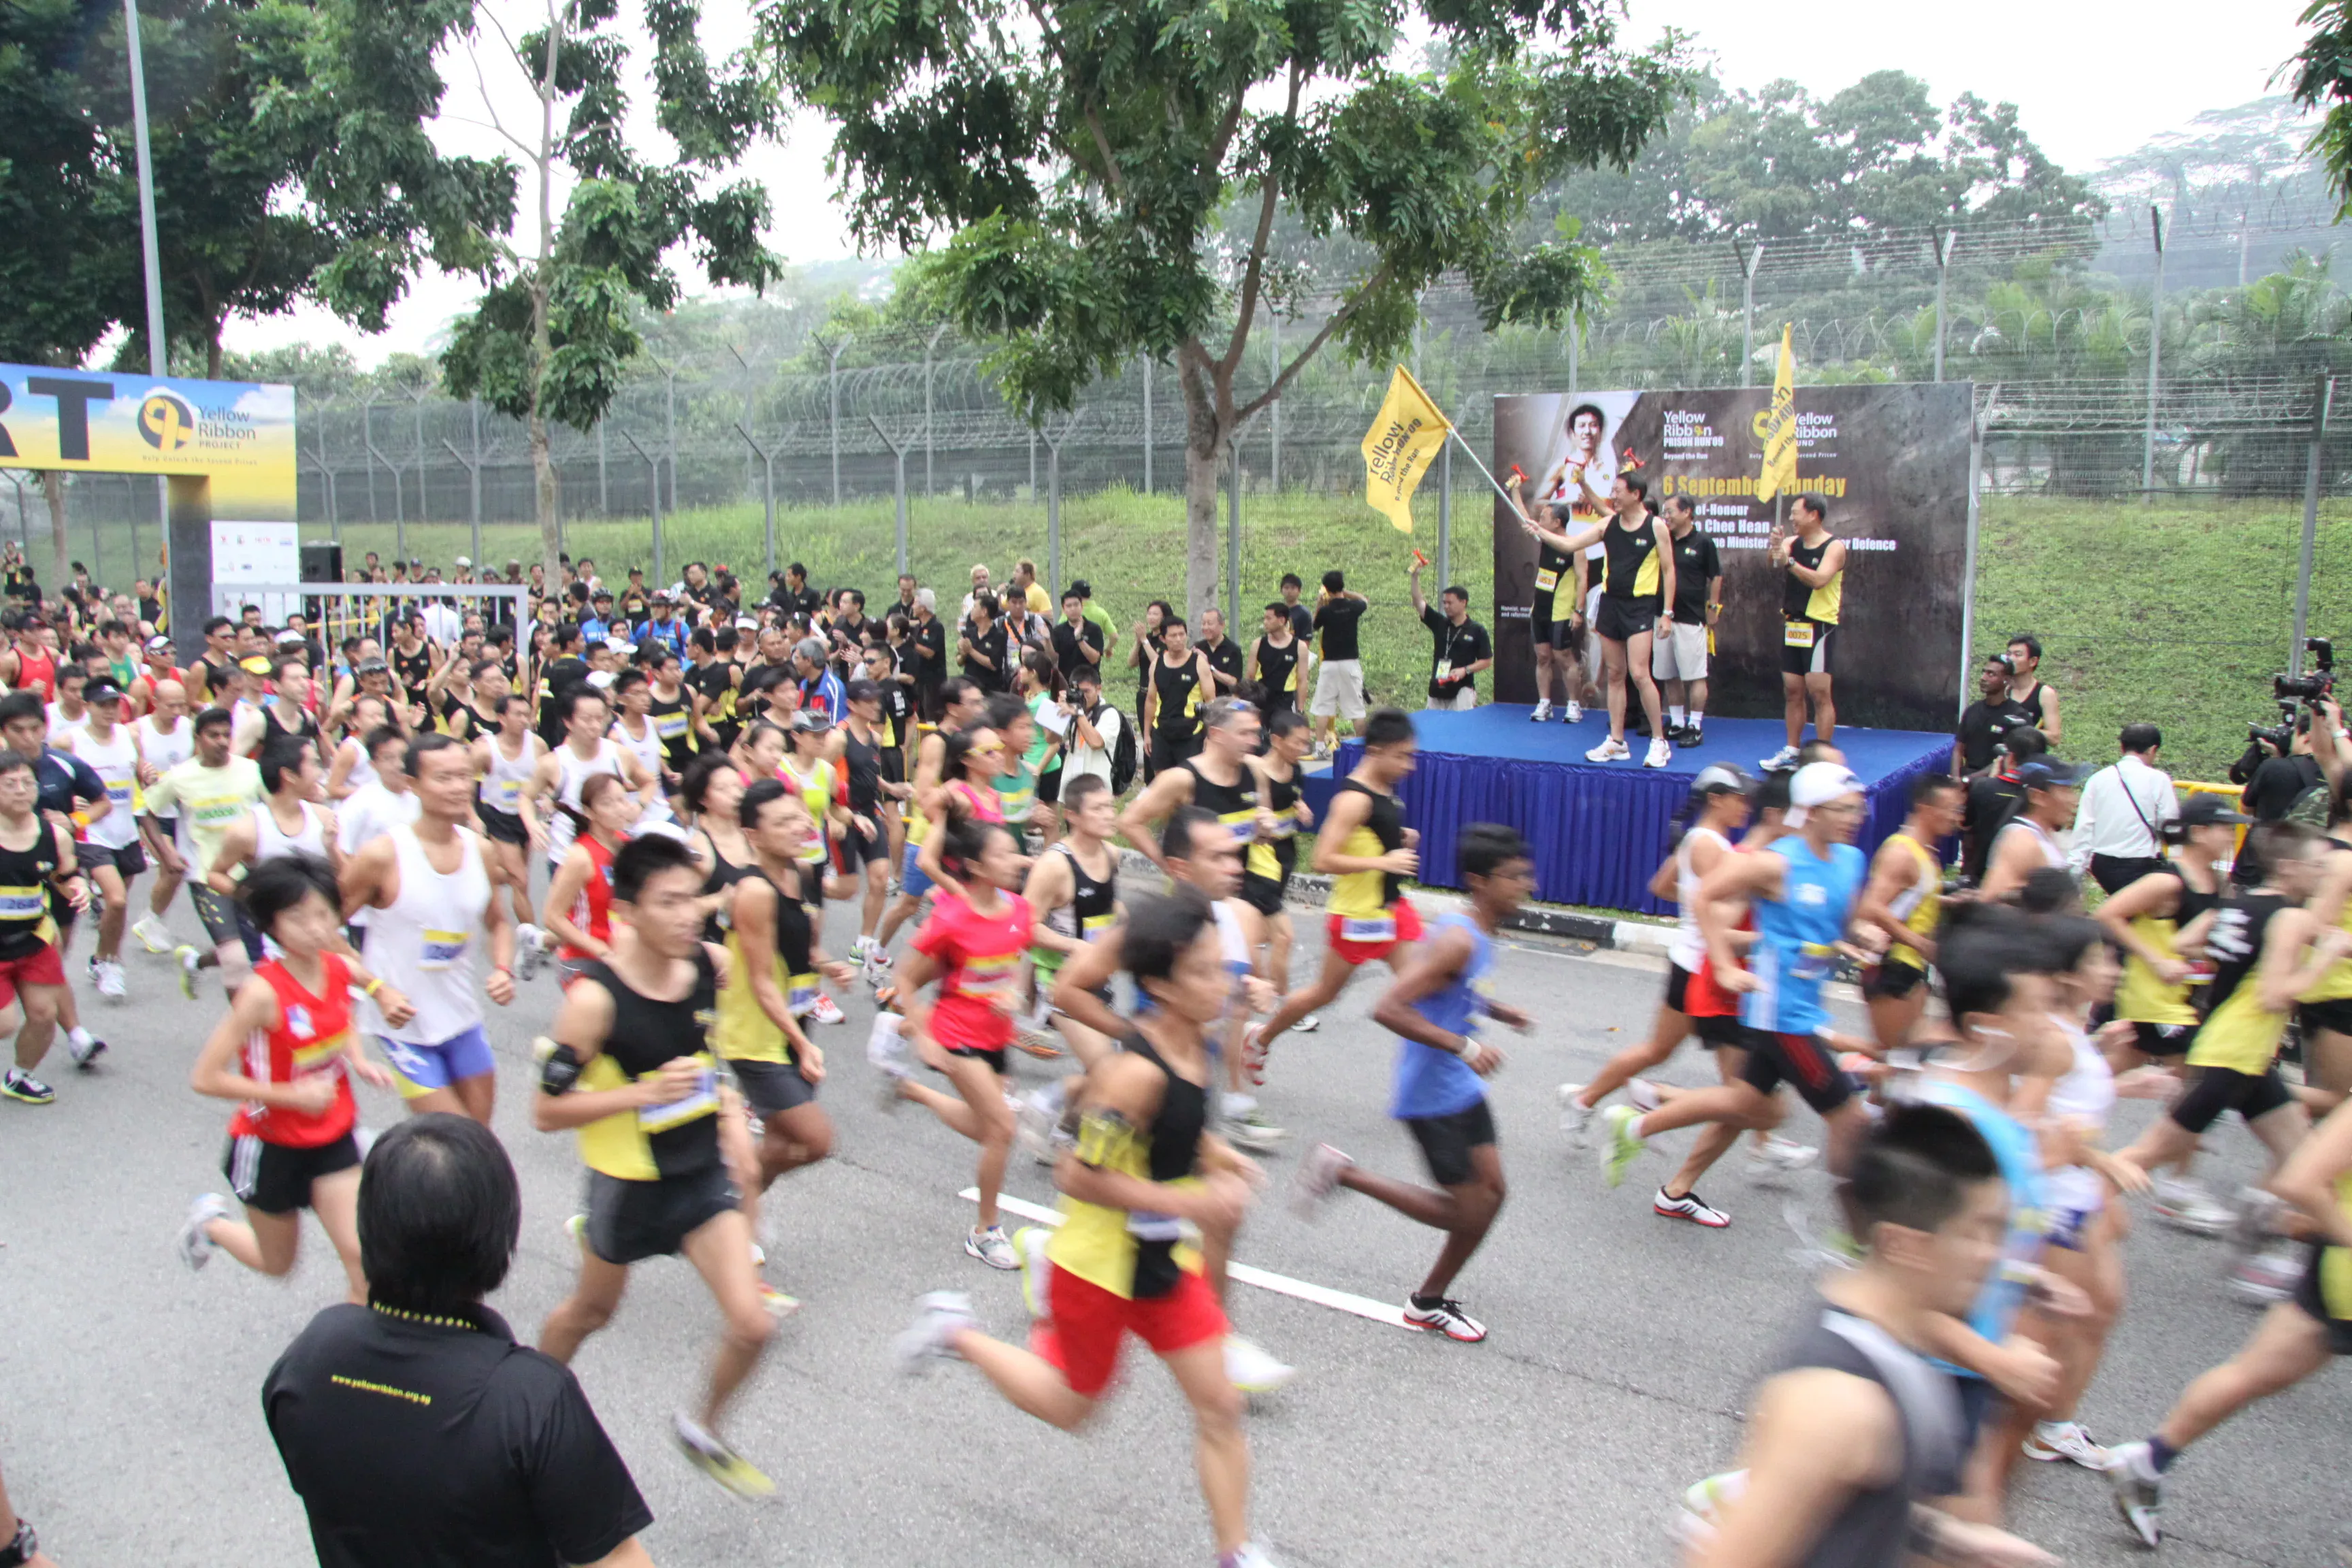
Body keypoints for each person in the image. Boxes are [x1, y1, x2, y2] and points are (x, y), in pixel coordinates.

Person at [891, 886, 1280, 1568]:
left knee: (1219, 1404)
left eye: (1225, 966)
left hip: (1160, 1267)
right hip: (1097, 1267)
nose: (1225, 983)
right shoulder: (1133, 1073)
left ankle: (1236, 1552)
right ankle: (955, 1331)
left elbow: (1177, 1134)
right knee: (1074, 1408)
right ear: (1158, 984)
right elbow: (1076, 1174)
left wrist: (1224, 1158)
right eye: (1207, 972)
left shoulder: (1195, 1050)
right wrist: (1196, 1203)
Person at [263, 1115, 657, 1567]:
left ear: (369, 1227)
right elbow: (618, 1560)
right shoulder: (530, 1399)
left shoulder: (310, 1356)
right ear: (498, 1242)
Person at [1682, 1103, 2057, 1568]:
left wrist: (1953, 1540)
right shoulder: (1838, 1402)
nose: (1994, 1256)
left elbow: (1845, 1507)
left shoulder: (1899, 1342)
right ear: (1904, 1245)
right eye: (1978, 1233)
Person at [534, 832, 776, 1497]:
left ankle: (701, 1427)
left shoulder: (704, 965)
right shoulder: (594, 1000)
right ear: (628, 910)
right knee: (590, 1313)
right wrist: (642, 1093)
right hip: (628, 1185)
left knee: (753, 1322)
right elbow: (545, 1112)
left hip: (698, 1176)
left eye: (692, 900)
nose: (686, 914)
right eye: (667, 902)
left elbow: (702, 1052)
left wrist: (727, 1107)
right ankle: (525, 1400)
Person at [1291, 825, 1533, 1341]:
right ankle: (1345, 1175)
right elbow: (1389, 1006)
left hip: (1461, 1087)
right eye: (1513, 877)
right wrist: (1465, 1046)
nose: (1525, 886)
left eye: (1525, 875)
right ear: (1478, 881)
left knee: (1493, 1195)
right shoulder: (1458, 939)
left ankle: (1428, 1301)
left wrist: (1498, 1009)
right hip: (1432, 1094)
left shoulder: (1474, 932)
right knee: (1468, 1211)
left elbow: (1453, 988)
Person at [1598, 764, 1876, 1185]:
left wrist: (1862, 936)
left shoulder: (1851, 861)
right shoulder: (1776, 864)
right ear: (1812, 811)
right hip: (1778, 1012)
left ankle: (1636, 1127)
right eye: (1843, 810)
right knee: (1850, 1120)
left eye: (1859, 809)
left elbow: (1843, 921)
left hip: (1805, 1005)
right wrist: (1725, 964)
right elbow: (1704, 896)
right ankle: (1861, 1235)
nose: (1854, 819)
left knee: (1744, 1104)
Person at [2106, 1092, 2352, 1549]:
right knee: (2252, 1373)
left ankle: (2149, 1460)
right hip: (2343, 1266)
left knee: (2254, 1373)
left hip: (2334, 1264)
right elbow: (2302, 1181)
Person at [2114, 823, 2347, 1298]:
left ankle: (2258, 1259)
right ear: (2291, 866)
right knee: (2141, 1158)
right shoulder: (2289, 918)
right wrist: (2326, 957)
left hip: (2245, 1056)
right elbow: (2274, 995)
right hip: (2232, 1056)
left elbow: (2184, 945)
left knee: (2303, 1161)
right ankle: (2052, 1217)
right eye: (2318, 868)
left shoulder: (2236, 905)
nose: (2325, 878)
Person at [176, 855, 404, 1302]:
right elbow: (205, 1078)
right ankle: (212, 1226)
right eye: (297, 919)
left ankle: (351, 1363)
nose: (316, 929)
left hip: (332, 1135)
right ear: (272, 926)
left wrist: (361, 1048)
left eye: (323, 914)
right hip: (269, 1145)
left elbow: (354, 992)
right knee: (278, 1265)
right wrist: (290, 1096)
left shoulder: (336, 967)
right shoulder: (261, 993)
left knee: (365, 1260)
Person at [872, 817, 1036, 1270]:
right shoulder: (951, 918)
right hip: (956, 1032)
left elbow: (1022, 954)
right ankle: (985, 1231)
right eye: (1003, 854)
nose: (1014, 861)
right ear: (975, 866)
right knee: (1002, 1130)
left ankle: (913, 1092)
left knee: (991, 1129)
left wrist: (1017, 992)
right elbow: (904, 976)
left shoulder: (1019, 908)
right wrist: (921, 1033)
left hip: (996, 1036)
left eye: (1013, 851)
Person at [718, 781, 849, 1313]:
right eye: (783, 822)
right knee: (814, 1139)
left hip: (790, 1023)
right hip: (755, 1034)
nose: (800, 827)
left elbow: (794, 952)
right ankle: (738, 1236)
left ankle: (735, 1199)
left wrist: (823, 965)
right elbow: (760, 979)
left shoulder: (796, 873)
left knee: (777, 1144)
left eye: (800, 817)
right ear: (752, 834)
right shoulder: (752, 891)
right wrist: (799, 1041)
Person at [341, 734, 517, 1125]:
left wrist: (503, 968)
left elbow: (498, 922)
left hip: (461, 1018)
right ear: (413, 785)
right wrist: (376, 989)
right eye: (443, 778)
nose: (457, 787)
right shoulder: (383, 856)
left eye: (463, 776)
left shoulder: (480, 851)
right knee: (454, 1134)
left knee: (478, 1140)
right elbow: (320, 932)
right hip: (402, 1026)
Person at [1244, 707, 1420, 1077]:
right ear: (1376, 751)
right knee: (1325, 993)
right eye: (1402, 756)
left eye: (1411, 756)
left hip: (1390, 908)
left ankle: (1432, 1071)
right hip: (1357, 916)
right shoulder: (1353, 799)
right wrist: (1384, 863)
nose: (1410, 766)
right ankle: (1260, 1039)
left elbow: (1367, 838)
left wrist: (1398, 839)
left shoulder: (1383, 787)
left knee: (1421, 988)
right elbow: (1323, 859)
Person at [1517, 475, 1675, 766]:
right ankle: (1617, 741)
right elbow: (1571, 544)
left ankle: (1659, 741)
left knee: (1639, 674)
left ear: (1636, 494)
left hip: (1640, 607)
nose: (1612, 495)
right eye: (1612, 490)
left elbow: (1668, 570)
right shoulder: (1607, 525)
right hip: (1610, 605)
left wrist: (1667, 613)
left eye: (1617, 490)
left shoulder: (1656, 527)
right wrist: (1539, 529)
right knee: (1616, 674)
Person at [145, 707, 267, 1004]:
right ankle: (244, 1030)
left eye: (227, 735)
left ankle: (197, 962)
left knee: (254, 952)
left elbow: (275, 809)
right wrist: (166, 854)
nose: (222, 741)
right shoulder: (180, 777)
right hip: (206, 877)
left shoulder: (251, 770)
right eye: (213, 736)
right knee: (237, 959)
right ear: (198, 738)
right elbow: (147, 812)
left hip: (253, 876)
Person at [0, 753, 91, 1106]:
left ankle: (20, 1076)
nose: (21, 791)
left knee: (44, 1015)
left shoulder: (55, 836)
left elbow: (65, 876)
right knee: (5, 1024)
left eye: (28, 783)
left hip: (33, 940)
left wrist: (78, 887)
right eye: (10, 784)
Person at [1855, 773, 1964, 1054]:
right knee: (1894, 1061)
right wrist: (1921, 944)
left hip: (1912, 968)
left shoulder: (1924, 852)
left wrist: (1949, 902)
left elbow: (1911, 896)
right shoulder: (1901, 853)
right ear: (1927, 809)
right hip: (1890, 967)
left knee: (1905, 1062)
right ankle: (1832, 1051)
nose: (1957, 817)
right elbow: (1871, 907)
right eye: (1952, 809)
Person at [1022, 773, 1122, 1066]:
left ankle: (1047, 1105)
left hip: (1097, 974)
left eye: (1110, 807)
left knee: (1117, 1066)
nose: (1108, 815)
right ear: (1072, 816)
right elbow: (1025, 927)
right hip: (1057, 979)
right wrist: (1074, 946)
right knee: (1106, 1065)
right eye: (1097, 809)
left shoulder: (1112, 854)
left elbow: (1107, 907)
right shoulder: (1054, 865)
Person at [60, 679, 147, 1002]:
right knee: (117, 899)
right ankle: (112, 965)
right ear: (88, 708)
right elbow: (51, 779)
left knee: (118, 907)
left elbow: (138, 771)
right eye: (103, 705)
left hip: (125, 831)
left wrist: (147, 774)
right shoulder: (70, 742)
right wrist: (71, 805)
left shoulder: (129, 735)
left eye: (115, 704)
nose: (111, 711)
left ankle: (100, 958)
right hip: (91, 832)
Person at [1761, 494, 1848, 772]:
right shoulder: (1791, 543)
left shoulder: (1835, 547)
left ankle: (1822, 758)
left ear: (1813, 515)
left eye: (1795, 513)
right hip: (1793, 624)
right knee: (1792, 690)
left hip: (1818, 626)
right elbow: (1773, 564)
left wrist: (1790, 563)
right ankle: (1792, 750)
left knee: (1819, 692)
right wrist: (1775, 547)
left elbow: (1821, 580)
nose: (1791, 518)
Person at [1510, 470, 1588, 725]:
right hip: (1540, 610)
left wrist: (1579, 611)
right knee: (1543, 656)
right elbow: (1523, 517)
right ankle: (1545, 703)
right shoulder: (1545, 541)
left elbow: (1583, 579)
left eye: (1544, 517)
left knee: (1564, 657)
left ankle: (1574, 705)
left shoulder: (1575, 547)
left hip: (1562, 612)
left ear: (1557, 522)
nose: (1539, 520)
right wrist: (1515, 490)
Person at [470, 692, 547, 948]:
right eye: (518, 714)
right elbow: (465, 782)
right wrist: (472, 816)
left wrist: (547, 799)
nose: (525, 720)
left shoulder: (537, 746)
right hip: (498, 817)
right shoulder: (485, 749)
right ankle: (534, 940)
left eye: (527, 714)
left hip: (526, 819)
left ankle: (487, 874)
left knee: (516, 877)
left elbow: (547, 779)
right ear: (501, 718)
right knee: (520, 880)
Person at [2070, 723, 2178, 893]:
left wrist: (2076, 866)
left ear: (2122, 747)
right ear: (2153, 750)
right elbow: (2169, 824)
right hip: (2140, 863)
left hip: (2102, 865)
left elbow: (2085, 825)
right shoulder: (2159, 780)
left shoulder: (2098, 779)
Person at [129, 677, 195, 953]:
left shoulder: (190, 729)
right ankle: (151, 920)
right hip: (149, 808)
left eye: (182, 705)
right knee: (173, 866)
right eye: (171, 706)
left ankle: (152, 919)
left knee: (176, 871)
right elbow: (130, 765)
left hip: (182, 808)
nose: (178, 711)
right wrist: (141, 771)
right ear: (154, 703)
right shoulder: (136, 731)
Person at [1652, 494, 1721, 746]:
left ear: (1687, 512)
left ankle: (1695, 725)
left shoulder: (1703, 542)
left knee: (1694, 674)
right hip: (1662, 616)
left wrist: (1713, 606)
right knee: (1668, 673)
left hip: (1691, 617)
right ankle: (1678, 721)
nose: (1666, 517)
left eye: (1670, 512)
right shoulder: (1663, 539)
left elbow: (1716, 576)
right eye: (1664, 512)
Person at [1977, 758, 2085, 903]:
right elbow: (1992, 899)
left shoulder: (2044, 835)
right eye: (2065, 791)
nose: (2074, 800)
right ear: (2037, 796)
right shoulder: (2021, 841)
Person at [1958, 725, 2046, 886]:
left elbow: (1964, 824)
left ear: (2010, 758)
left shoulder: (1983, 787)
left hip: (1985, 878)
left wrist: (1991, 780)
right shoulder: (2044, 797)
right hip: (2026, 882)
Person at [1409, 564, 1493, 713]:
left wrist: (1465, 670)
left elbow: (1487, 661)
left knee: (1460, 731)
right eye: (1444, 603)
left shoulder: (1477, 630)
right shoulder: (1440, 623)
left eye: (1450, 603)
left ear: (1463, 603)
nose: (1446, 606)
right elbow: (1418, 602)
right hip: (1437, 688)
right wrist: (1414, 577)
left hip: (1462, 690)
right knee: (1434, 730)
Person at [1142, 614, 1217, 777]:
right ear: (1163, 639)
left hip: (1190, 733)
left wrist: (1209, 736)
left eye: (1182, 634)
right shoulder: (1156, 664)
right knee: (1161, 781)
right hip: (1162, 731)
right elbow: (1150, 701)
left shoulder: (1199, 663)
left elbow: (1211, 702)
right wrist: (1147, 735)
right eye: (1173, 635)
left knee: (1190, 781)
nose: (1178, 639)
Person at [1307, 570, 1369, 757]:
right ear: (1342, 586)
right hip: (1350, 664)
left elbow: (1314, 625)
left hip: (1330, 665)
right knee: (1356, 709)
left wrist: (1319, 602)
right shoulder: (1353, 607)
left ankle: (1319, 747)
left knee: (1322, 706)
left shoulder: (1326, 611)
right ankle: (1362, 749)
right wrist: (1347, 592)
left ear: (1326, 589)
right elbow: (1364, 599)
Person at [1245, 602, 1305, 715]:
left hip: (1285, 700)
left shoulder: (1299, 647)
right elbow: (1250, 677)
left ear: (1282, 620)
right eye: (1264, 619)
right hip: (1262, 697)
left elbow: (1302, 680)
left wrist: (1300, 710)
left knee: (1282, 731)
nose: (1265, 622)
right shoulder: (1257, 644)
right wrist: (1248, 703)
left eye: (1269, 619)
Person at [2002, 634, 2061, 746]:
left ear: (2033, 661)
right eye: (2009, 654)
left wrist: (2023, 730)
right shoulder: (2002, 689)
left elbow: (2054, 738)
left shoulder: (2045, 694)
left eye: (2018, 655)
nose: (2011, 659)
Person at [1196, 608, 1245, 696]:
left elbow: (1233, 682)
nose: (1206, 627)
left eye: (1210, 624)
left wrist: (1208, 667)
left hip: (1225, 701)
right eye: (1203, 624)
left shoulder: (1233, 650)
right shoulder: (1198, 648)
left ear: (1222, 625)